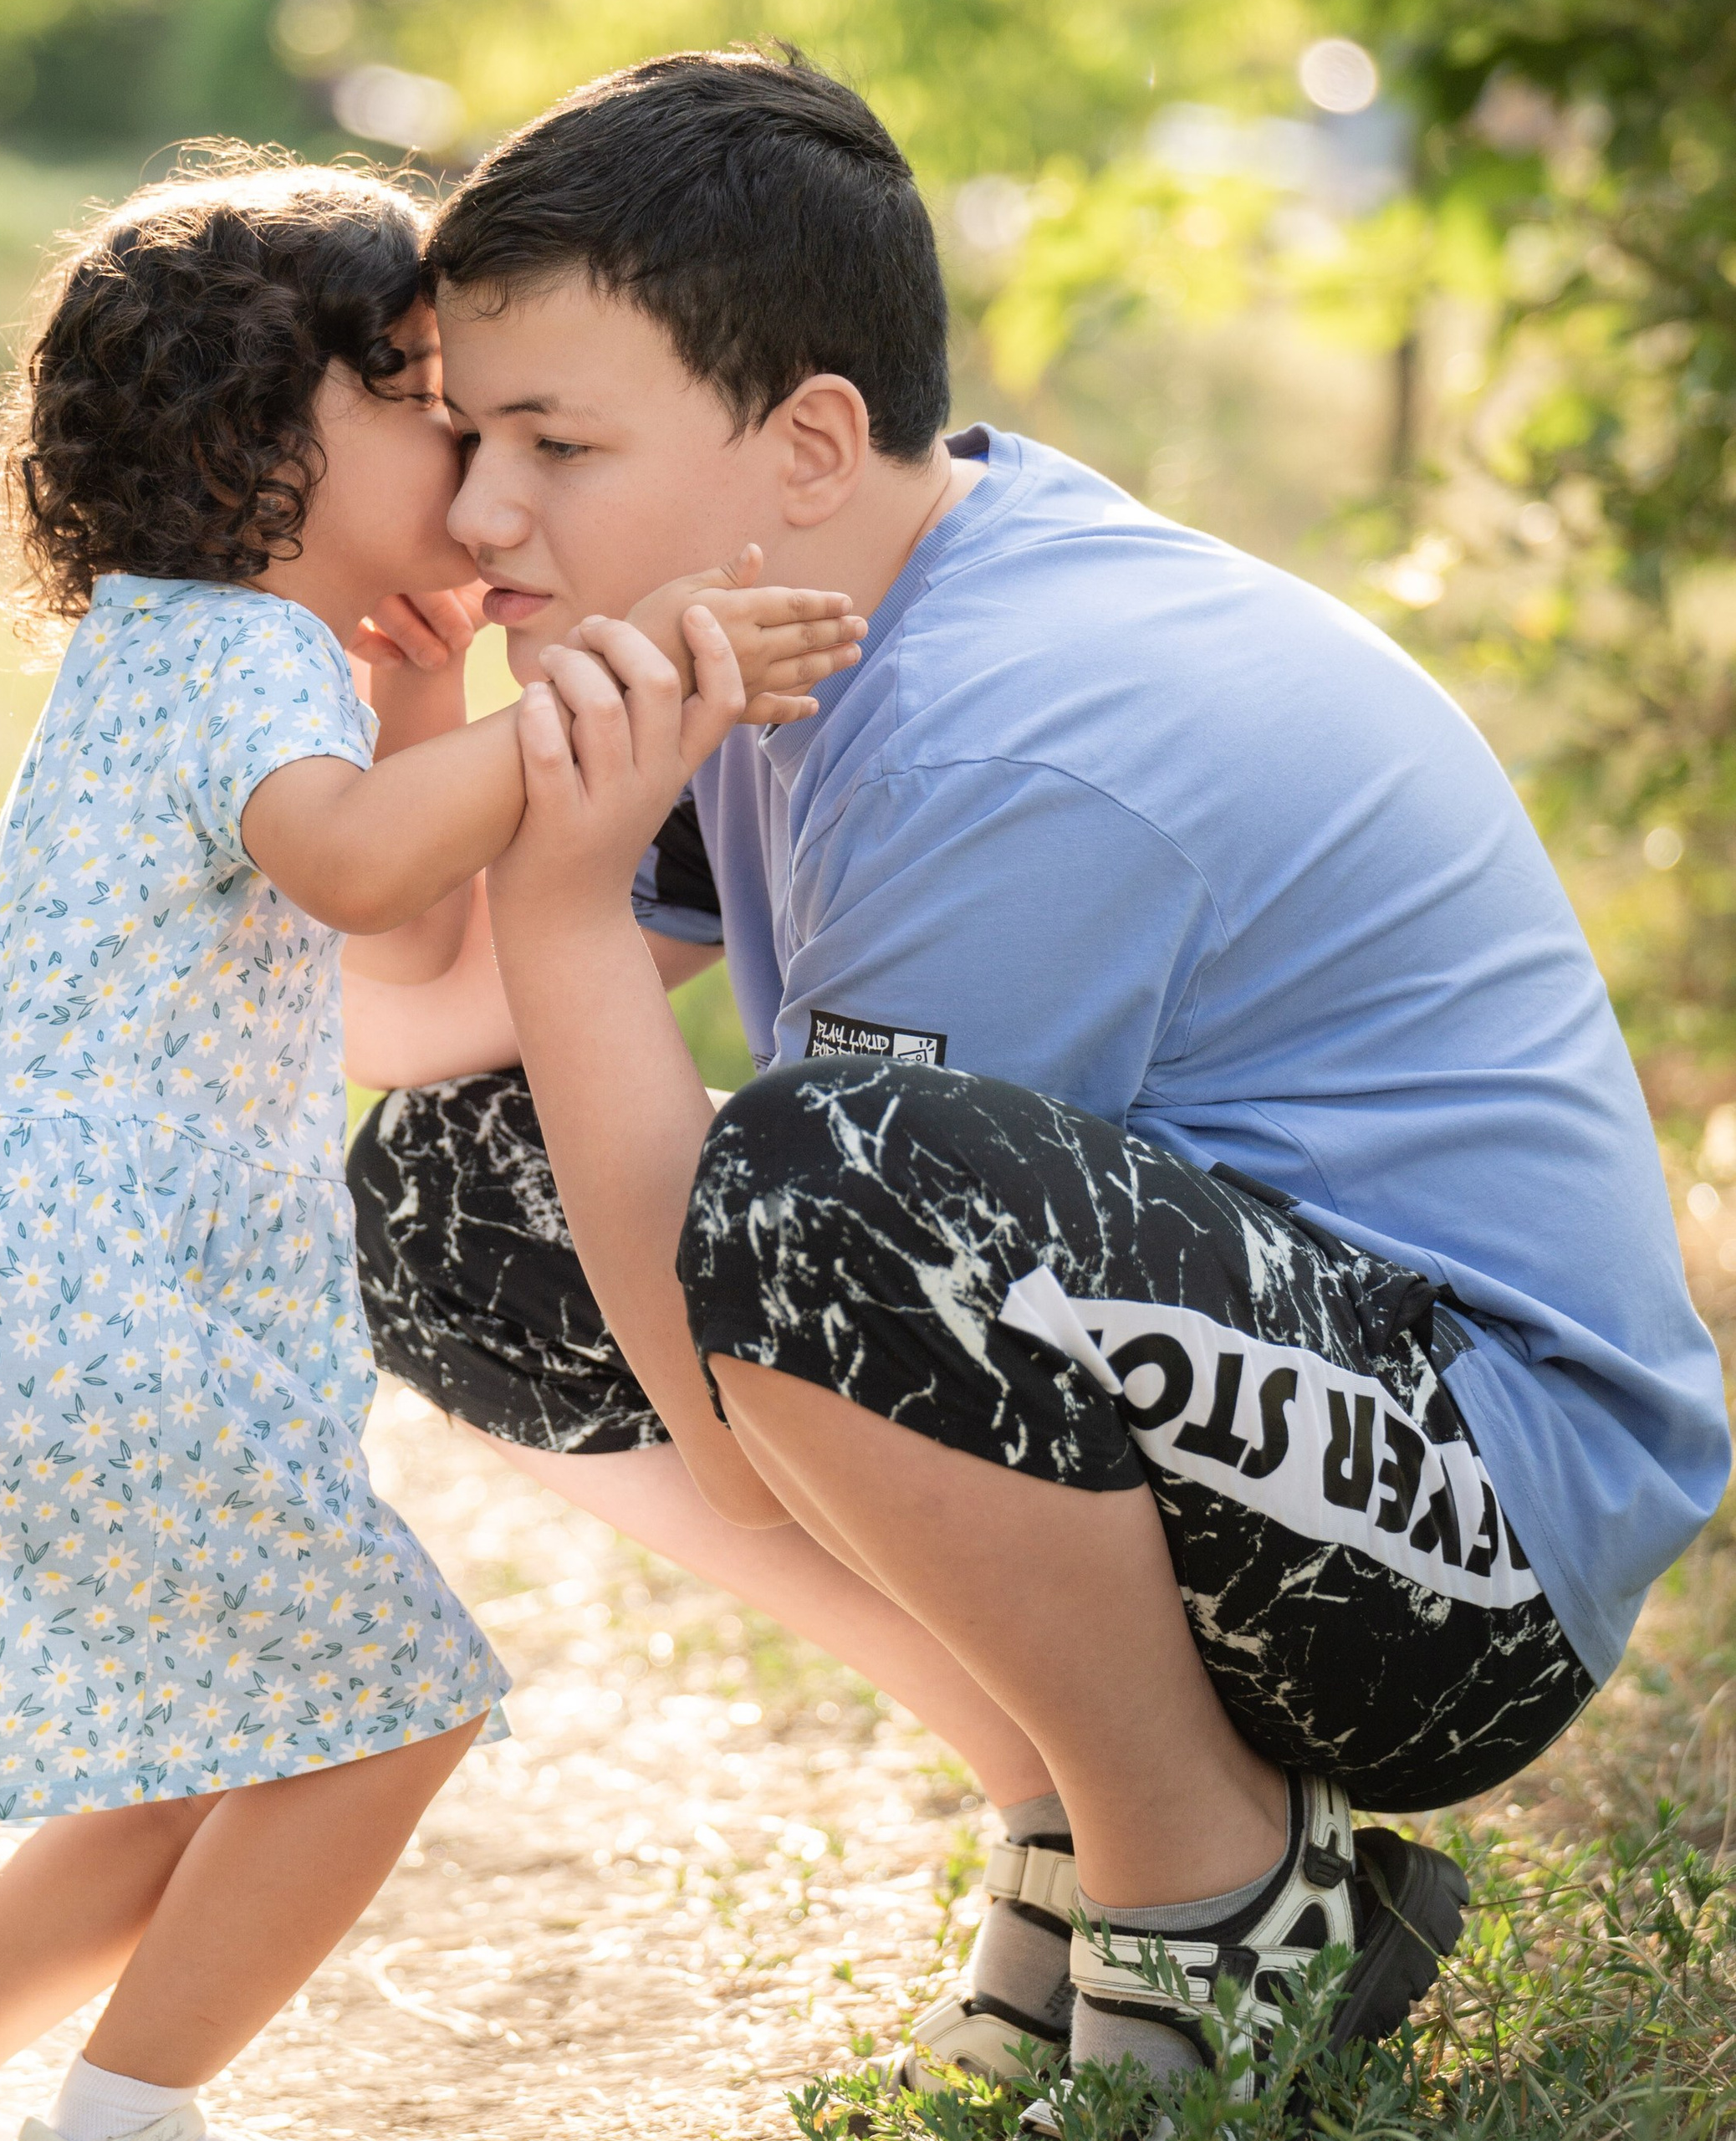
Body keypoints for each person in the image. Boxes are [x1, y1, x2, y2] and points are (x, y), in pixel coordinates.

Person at [340, 49, 1733, 2112]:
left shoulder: (1010, 737)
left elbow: (765, 1395)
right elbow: (405, 1034)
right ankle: (1070, 1811)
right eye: (468, 435)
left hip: (1468, 1546)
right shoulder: (776, 611)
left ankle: (1219, 1882)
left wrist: (560, 916)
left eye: (550, 439)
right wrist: (418, 700)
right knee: (444, 1198)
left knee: (820, 1190)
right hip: (1238, 1410)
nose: (476, 509)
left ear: (808, 435)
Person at [0, 146, 862, 2141]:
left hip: (53, 1265)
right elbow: (348, 860)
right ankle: (131, 2111)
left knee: (214, 1732)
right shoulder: (225, 641)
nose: (476, 468)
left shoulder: (243, 651)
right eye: (423, 404)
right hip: (78, 1264)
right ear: (263, 443)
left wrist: (431, 692)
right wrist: (615, 677)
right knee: (391, 1707)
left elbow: (390, 923)